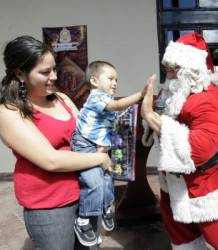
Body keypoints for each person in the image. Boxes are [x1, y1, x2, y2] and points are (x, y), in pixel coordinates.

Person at [141, 32, 218, 249]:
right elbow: (155, 115)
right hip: (173, 186)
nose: (169, 74)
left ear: (192, 71)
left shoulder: (210, 99)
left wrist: (150, 116)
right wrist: (148, 113)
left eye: (175, 69)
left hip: (208, 188)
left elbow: (199, 148)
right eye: (167, 68)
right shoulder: (172, 94)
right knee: (184, 240)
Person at [0, 36, 112, 250]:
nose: (53, 76)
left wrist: (103, 139)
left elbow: (85, 135)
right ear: (20, 74)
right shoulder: (9, 111)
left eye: (54, 69)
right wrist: (99, 157)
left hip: (87, 191)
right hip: (50, 204)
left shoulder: (62, 99)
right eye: (44, 72)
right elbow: (50, 160)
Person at [71, 61, 152, 246]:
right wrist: (141, 94)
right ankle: (83, 220)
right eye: (110, 78)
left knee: (108, 178)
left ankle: (107, 206)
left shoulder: (105, 100)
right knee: (93, 181)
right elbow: (117, 106)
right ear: (94, 80)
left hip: (98, 145)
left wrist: (114, 146)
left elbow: (113, 126)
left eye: (116, 79)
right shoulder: (97, 97)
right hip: (84, 145)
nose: (115, 83)